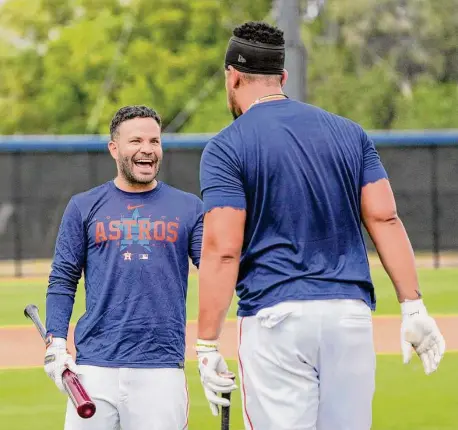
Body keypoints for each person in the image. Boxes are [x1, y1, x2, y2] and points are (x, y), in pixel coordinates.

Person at [194, 21, 446, 430]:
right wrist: (412, 306)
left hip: (275, 319)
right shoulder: (350, 133)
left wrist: (206, 344)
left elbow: (223, 248)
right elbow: (385, 217)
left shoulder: (226, 146)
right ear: (283, 77)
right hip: (349, 316)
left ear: (233, 76)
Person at [44, 105, 203, 430]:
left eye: (155, 141)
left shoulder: (189, 207)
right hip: (94, 369)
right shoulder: (83, 206)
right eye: (136, 141)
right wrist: (56, 341)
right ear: (114, 148)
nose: (147, 149)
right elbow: (63, 279)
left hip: (160, 368)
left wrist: (210, 343)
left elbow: (217, 271)